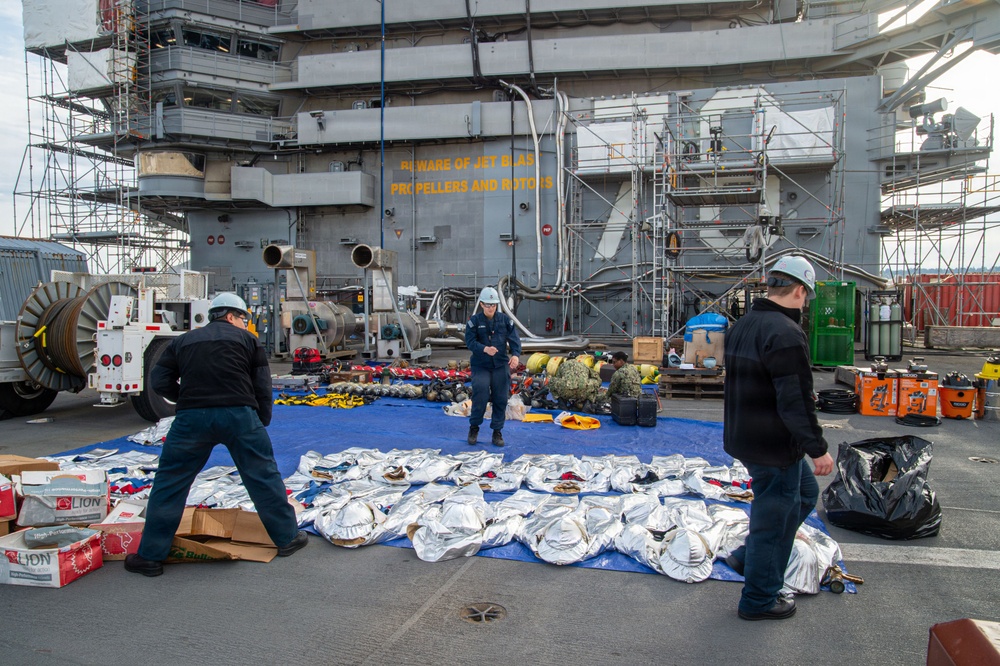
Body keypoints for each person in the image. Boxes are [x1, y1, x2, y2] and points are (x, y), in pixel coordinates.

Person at [124, 292, 308, 576]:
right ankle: (287, 538)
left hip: (191, 419)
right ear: (232, 316)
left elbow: (158, 380)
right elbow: (262, 385)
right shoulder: (248, 341)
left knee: (170, 482)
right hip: (239, 415)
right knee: (262, 476)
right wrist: (260, 420)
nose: (246, 325)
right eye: (244, 319)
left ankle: (150, 556)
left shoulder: (182, 341)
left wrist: (184, 399)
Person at [722, 255, 834, 620]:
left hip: (748, 438)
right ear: (801, 290)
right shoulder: (785, 334)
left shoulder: (744, 325)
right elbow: (796, 401)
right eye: (807, 297)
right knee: (774, 522)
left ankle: (748, 558)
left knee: (804, 494)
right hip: (773, 447)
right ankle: (759, 599)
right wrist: (817, 449)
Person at [465, 286, 521, 447]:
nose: (491, 308)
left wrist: (516, 355)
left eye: (494, 305)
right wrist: (484, 349)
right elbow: (470, 341)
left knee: (501, 398)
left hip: (500, 365)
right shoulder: (474, 322)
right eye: (488, 305)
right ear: (481, 304)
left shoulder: (505, 320)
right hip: (481, 365)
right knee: (480, 395)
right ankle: (474, 427)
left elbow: (515, 339)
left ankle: (497, 431)